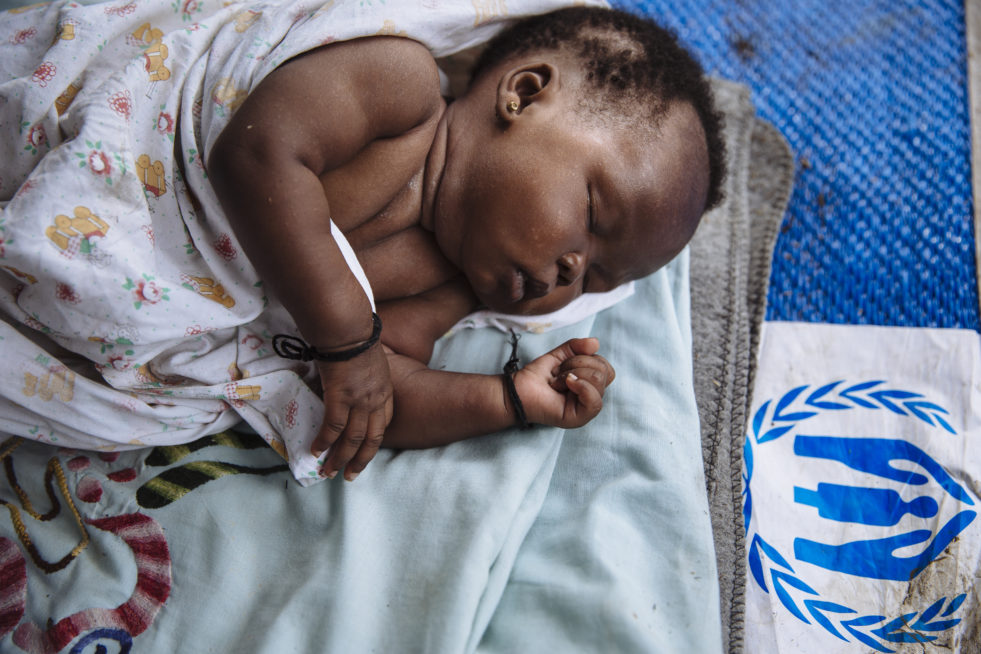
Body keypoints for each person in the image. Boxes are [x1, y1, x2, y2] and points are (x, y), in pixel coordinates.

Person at [0, 2, 723, 483]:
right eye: (593, 217)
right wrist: (346, 338)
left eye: (596, 277)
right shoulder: (399, 89)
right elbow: (256, 154)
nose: (570, 270)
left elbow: (368, 400)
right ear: (524, 94)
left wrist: (509, 398)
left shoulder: (445, 287)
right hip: (115, 164)